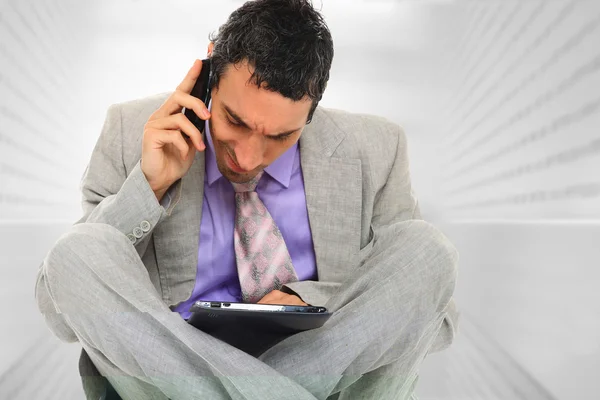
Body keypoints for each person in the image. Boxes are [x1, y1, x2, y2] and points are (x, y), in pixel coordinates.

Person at [34, 0, 459, 399]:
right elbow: (62, 304)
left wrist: (309, 298)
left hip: (326, 371)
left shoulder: (378, 148)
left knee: (427, 250)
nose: (248, 156)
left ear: (312, 111)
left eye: (280, 136)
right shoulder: (132, 130)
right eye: (234, 121)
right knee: (78, 250)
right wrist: (149, 186)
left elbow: (431, 316)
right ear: (208, 76)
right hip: (166, 374)